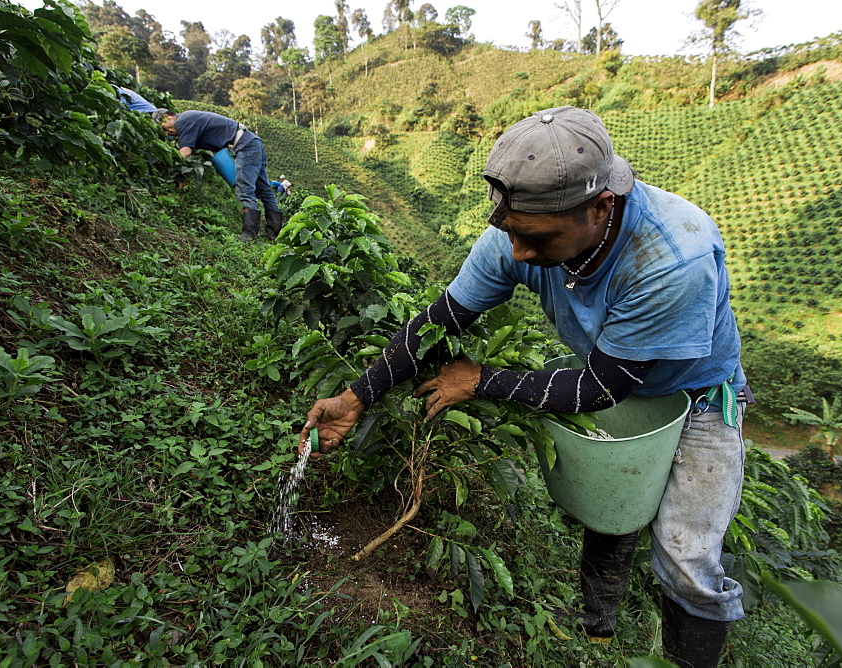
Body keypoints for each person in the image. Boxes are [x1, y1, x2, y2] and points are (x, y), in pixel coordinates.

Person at [300, 106, 750, 668]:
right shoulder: (520, 231)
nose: (517, 253)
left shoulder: (670, 261)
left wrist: (482, 380)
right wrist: (355, 396)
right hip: (615, 375)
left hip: (699, 392)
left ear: (600, 207)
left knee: (688, 555)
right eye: (509, 232)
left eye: (535, 239)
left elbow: (598, 389)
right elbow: (443, 319)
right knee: (617, 504)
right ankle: (597, 630)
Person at [152, 108, 283, 241]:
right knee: (265, 190)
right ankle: (273, 233)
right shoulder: (188, 119)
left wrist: (165, 165)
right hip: (251, 141)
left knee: (245, 190)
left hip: (245, 145)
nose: (166, 132)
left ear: (166, 117)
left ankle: (249, 234)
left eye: (164, 128)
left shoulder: (182, 121)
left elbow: (185, 152)